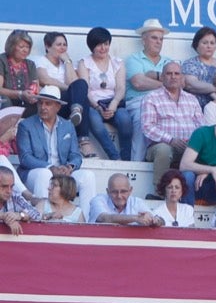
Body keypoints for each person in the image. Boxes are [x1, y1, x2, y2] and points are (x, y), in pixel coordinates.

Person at [15, 84, 96, 217]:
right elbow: (25, 158)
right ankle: (41, 218)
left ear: (58, 107)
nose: (43, 107)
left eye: (48, 104)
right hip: (34, 173)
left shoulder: (68, 126)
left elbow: (76, 155)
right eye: (40, 103)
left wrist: (70, 166)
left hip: (62, 173)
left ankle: (86, 222)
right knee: (44, 174)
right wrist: (50, 167)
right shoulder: (26, 125)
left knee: (88, 176)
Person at [74, 26, 132, 160]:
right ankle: (114, 156)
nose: (103, 48)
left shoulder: (117, 63)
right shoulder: (85, 63)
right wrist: (97, 107)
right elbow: (85, 89)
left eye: (106, 44)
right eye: (99, 45)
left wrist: (114, 104)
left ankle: (126, 159)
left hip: (113, 102)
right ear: (91, 46)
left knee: (125, 120)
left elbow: (121, 87)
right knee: (94, 121)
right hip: (93, 103)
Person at [125, 18, 173, 164]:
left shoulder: (169, 62)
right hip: (140, 101)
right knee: (143, 116)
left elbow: (180, 82)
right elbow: (138, 83)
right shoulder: (134, 59)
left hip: (165, 102)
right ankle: (137, 164)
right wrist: (166, 82)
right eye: (154, 38)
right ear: (143, 39)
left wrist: (154, 76)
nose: (158, 42)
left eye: (161, 39)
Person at [180, 26, 216, 106]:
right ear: (197, 44)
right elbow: (191, 84)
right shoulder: (190, 64)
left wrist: (211, 89)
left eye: (212, 43)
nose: (209, 46)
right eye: (205, 43)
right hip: (197, 110)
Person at [89, 173, 163, 226]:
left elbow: (160, 220)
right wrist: (136, 218)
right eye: (114, 192)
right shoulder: (98, 200)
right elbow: (104, 218)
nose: (119, 196)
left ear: (130, 190)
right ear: (108, 192)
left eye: (123, 191)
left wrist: (155, 220)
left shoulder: (137, 202)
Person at [0, 29, 40, 110]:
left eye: (27, 47)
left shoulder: (30, 64)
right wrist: (20, 94)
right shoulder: (2, 60)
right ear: (11, 46)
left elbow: (36, 88)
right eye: (21, 47)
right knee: (5, 100)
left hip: (24, 103)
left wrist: (33, 96)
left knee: (39, 104)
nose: (25, 50)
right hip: (5, 102)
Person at [0, 166, 40, 235]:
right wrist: (4, 217)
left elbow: (36, 214)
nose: (9, 191)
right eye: (4, 186)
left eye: (12, 186)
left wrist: (19, 215)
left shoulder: (14, 196)